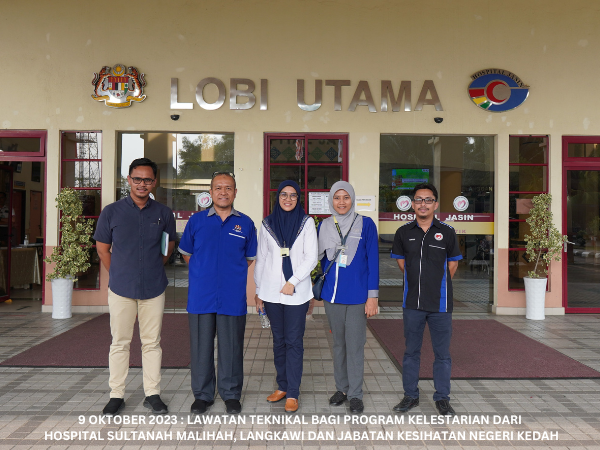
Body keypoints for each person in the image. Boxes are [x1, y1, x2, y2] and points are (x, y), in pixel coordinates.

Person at [95, 158, 176, 416]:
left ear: (154, 182)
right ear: (128, 180)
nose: (142, 184)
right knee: (120, 342)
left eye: (147, 179)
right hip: (121, 288)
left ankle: (152, 394)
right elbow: (102, 249)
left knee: (152, 343)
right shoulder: (111, 212)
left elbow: (167, 248)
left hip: (154, 287)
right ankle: (116, 394)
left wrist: (150, 268)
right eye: (137, 179)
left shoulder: (164, 213)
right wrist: (120, 272)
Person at [178, 171, 257, 415]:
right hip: (201, 296)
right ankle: (202, 395)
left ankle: (231, 394)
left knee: (231, 347)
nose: (223, 192)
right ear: (211, 192)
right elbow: (187, 254)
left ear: (235, 192)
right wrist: (204, 272)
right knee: (200, 348)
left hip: (232, 296)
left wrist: (228, 274)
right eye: (218, 188)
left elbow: (249, 258)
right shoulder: (196, 221)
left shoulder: (246, 223)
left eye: (228, 188)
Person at [391, 183, 462, 416]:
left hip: (440, 304)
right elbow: (402, 263)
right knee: (411, 352)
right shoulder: (403, 232)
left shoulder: (447, 232)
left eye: (428, 200)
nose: (423, 204)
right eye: (419, 200)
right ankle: (410, 395)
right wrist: (418, 282)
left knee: (442, 354)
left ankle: (442, 398)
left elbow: (453, 264)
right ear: (412, 204)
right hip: (412, 303)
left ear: (435, 204)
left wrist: (434, 283)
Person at [254, 180, 318, 413]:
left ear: (298, 198)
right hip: (271, 292)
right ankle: (282, 386)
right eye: (283, 194)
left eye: (293, 195)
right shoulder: (267, 223)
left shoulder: (306, 222)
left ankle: (292, 392)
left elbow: (311, 257)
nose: (288, 199)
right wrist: (259, 290)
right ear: (277, 197)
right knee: (278, 341)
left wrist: (293, 281)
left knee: (293, 341)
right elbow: (262, 258)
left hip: (296, 294)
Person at [317, 181, 379, 414]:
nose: (341, 202)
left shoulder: (366, 224)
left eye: (346, 197)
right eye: (337, 197)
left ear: (352, 199)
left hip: (357, 296)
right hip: (332, 296)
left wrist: (372, 297)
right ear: (331, 200)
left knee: (355, 345)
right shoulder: (324, 225)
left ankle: (355, 394)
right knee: (338, 344)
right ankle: (341, 389)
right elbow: (318, 259)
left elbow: (373, 261)